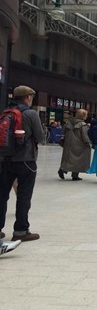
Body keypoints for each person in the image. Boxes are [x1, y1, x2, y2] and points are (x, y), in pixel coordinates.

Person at [0, 85, 45, 242]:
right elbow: (41, 137)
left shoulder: (5, 112)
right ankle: (21, 231)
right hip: (26, 160)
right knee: (24, 195)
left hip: (5, 160)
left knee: (2, 195)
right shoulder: (30, 113)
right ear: (27, 97)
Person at [58, 109, 91, 181]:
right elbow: (85, 136)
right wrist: (88, 143)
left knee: (68, 158)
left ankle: (62, 169)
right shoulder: (83, 125)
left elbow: (63, 132)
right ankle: (75, 175)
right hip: (79, 145)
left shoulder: (68, 123)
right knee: (78, 160)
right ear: (83, 116)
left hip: (68, 144)